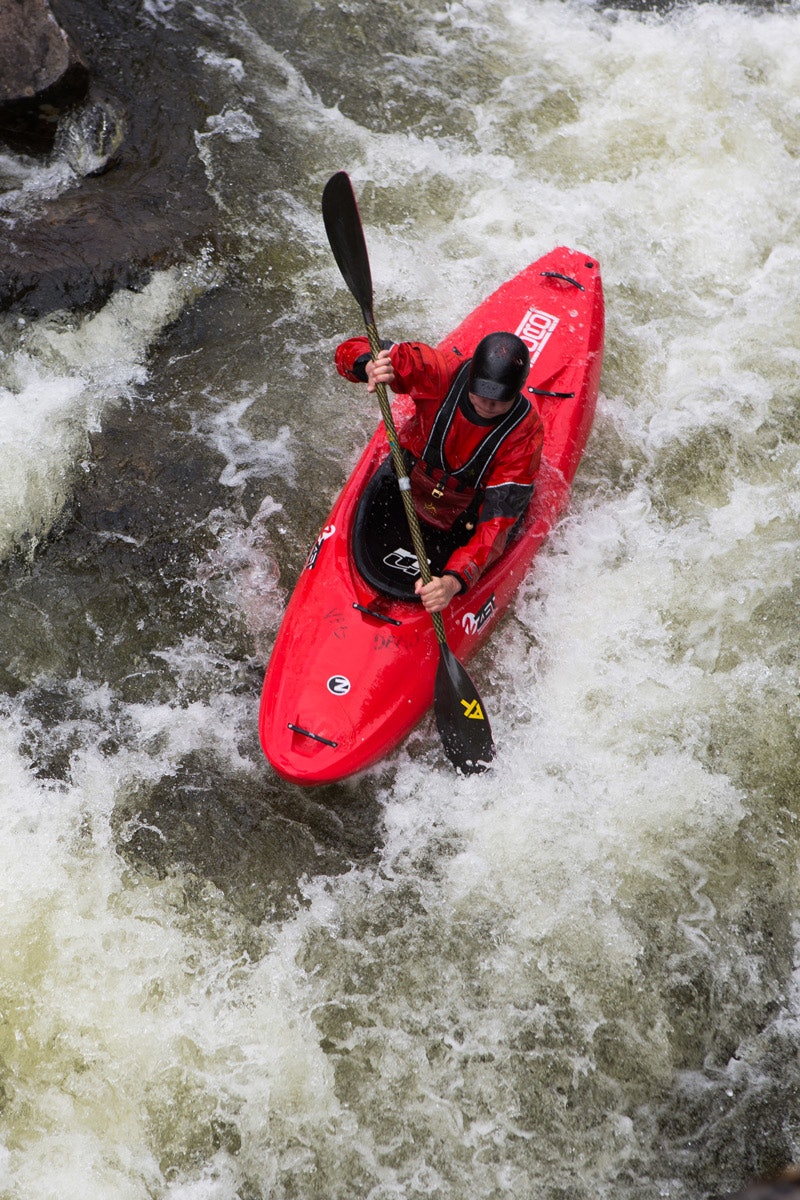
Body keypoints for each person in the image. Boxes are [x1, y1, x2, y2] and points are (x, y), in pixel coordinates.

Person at [335, 331, 544, 613]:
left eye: (500, 401)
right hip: (409, 485)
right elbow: (351, 348)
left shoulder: (524, 435)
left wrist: (453, 581)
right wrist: (368, 364)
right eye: (483, 394)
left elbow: (496, 525)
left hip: (465, 519)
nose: (489, 405)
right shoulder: (438, 370)